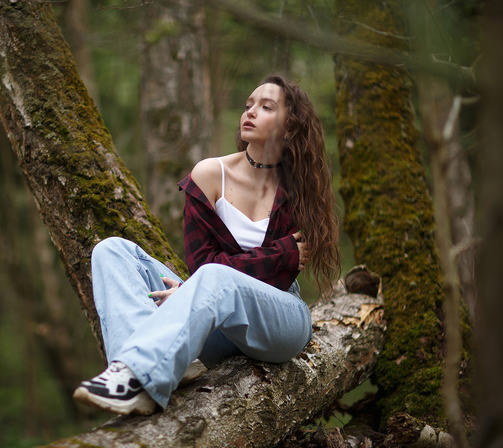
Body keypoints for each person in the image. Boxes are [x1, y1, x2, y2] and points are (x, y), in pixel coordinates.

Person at [73, 74, 340, 415]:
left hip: (279, 320)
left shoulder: (300, 187)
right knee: (111, 250)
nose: (251, 112)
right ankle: (143, 372)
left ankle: (141, 371)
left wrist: (198, 289)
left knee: (216, 278)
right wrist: (281, 252)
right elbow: (202, 265)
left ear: (290, 127)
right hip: (213, 320)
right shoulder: (210, 175)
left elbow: (279, 277)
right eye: (248, 105)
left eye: (266, 106)